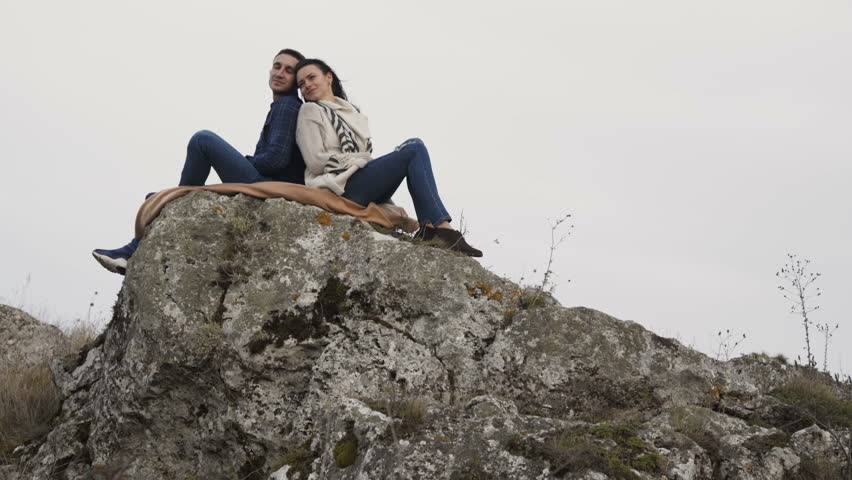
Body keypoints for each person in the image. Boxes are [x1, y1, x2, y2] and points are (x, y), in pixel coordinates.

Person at [93, 48, 307, 274]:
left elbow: (277, 159)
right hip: (267, 183)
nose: (280, 73)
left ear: (296, 80)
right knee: (162, 198)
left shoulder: (287, 105)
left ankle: (167, 206)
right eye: (277, 66)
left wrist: (245, 162)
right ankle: (138, 241)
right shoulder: (281, 106)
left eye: (289, 70)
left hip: (270, 185)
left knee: (202, 140)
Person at [294, 59, 482, 257]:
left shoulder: (353, 114)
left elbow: (366, 163)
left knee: (412, 144)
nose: (306, 85)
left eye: (311, 77)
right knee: (414, 149)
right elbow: (315, 162)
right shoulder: (310, 111)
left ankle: (429, 226)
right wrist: (358, 160)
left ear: (328, 77)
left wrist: (388, 203)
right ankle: (441, 229)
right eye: (301, 84)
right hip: (338, 190)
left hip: (358, 184)